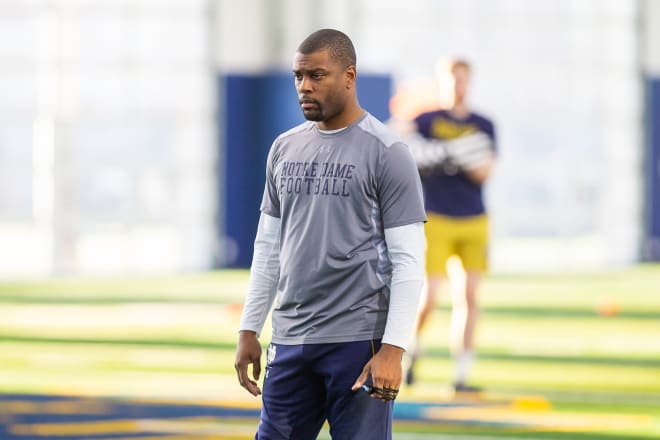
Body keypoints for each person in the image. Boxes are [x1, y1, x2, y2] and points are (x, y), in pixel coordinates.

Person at [233, 29, 427, 439]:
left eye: (317, 75)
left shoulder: (388, 152)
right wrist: (250, 328)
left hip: (358, 344)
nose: (305, 86)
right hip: (289, 341)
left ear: (349, 76)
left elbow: (409, 260)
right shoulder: (283, 148)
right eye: (298, 76)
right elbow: (268, 248)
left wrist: (393, 349)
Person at [403, 59, 497, 393]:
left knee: (469, 296)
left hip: (474, 217)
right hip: (436, 216)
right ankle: (412, 347)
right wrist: (451, 153)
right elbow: (402, 150)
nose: (458, 86)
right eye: (451, 79)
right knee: (429, 296)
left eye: (462, 80)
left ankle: (461, 375)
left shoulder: (483, 123)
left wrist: (444, 155)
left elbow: (484, 171)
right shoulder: (426, 120)